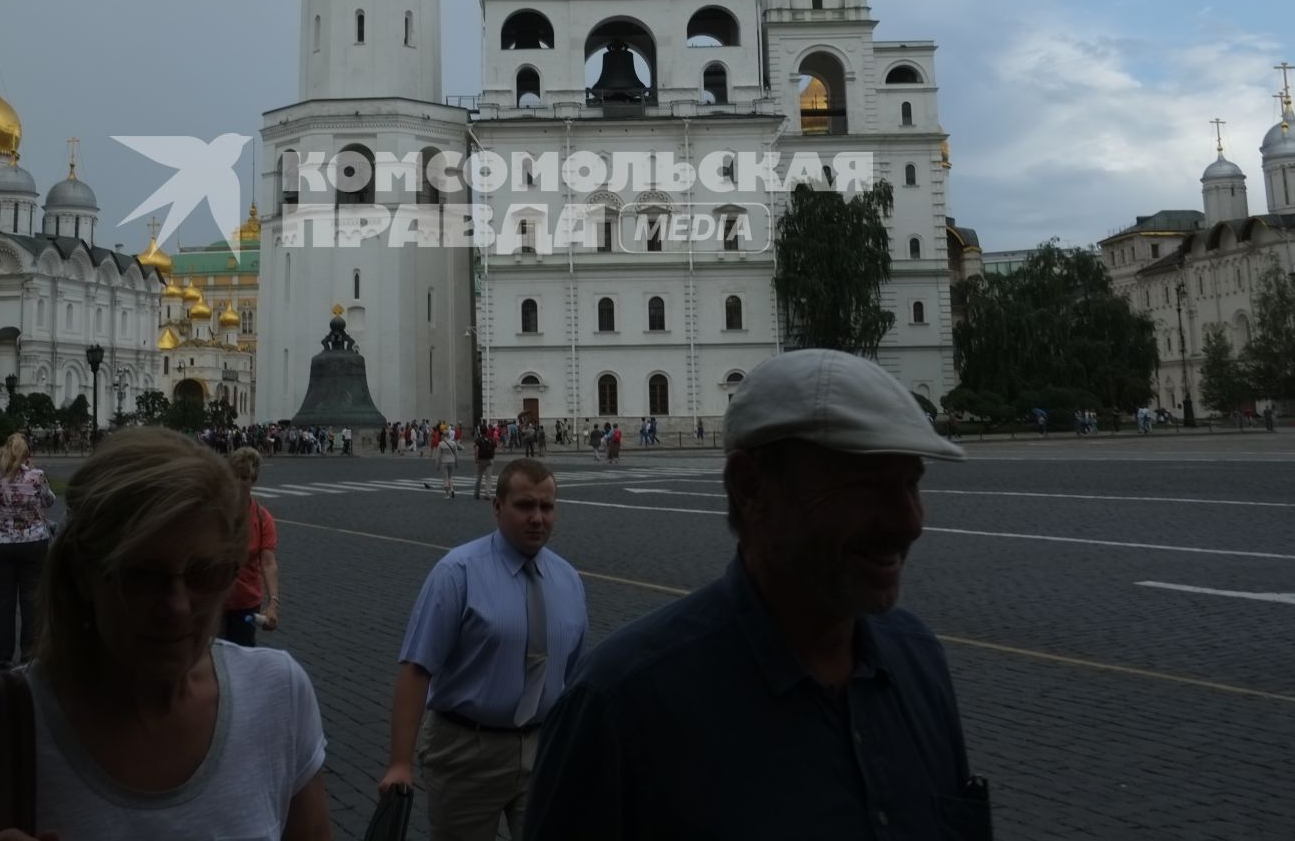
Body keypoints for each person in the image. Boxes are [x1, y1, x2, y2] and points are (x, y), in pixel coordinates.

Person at [523, 349, 984, 840]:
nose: (909, 522)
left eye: (911, 484)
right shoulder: (619, 707)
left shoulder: (918, 662)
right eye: (864, 485)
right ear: (750, 487)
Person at [0, 427, 331, 841]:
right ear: (85, 574)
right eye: (141, 575)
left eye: (205, 573)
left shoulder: (279, 696)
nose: (176, 607)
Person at [379, 459, 588, 841]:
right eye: (525, 506)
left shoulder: (569, 580)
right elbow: (416, 669)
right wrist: (399, 763)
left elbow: (573, 676)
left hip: (542, 750)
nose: (537, 518)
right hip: (466, 751)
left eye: (547, 507)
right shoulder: (457, 572)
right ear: (497, 507)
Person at [0, 433, 56, 671]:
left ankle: (3, 657)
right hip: (33, 542)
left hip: (1, 543)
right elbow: (49, 501)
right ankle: (29, 654)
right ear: (27, 454)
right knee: (31, 600)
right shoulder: (37, 477)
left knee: (3, 600)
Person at [223, 447, 280, 647]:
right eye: (234, 476)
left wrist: (273, 604)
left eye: (244, 478)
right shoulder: (213, 513)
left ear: (253, 480)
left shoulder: (263, 518)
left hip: (245, 603)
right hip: (213, 601)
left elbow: (268, 563)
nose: (238, 483)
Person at [472, 424, 497, 500]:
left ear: (480, 431)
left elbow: (476, 449)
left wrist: (476, 459)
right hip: (490, 459)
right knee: (489, 477)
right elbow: (495, 448)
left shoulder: (478, 440)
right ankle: (487, 493)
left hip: (481, 459)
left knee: (479, 476)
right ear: (487, 431)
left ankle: (477, 493)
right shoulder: (491, 439)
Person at [436, 429, 460, 499]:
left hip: (444, 462)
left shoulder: (441, 444)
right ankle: (452, 489)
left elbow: (438, 456)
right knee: (450, 477)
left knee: (445, 478)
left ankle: (447, 494)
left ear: (443, 435)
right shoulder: (453, 443)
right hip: (452, 461)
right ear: (449, 435)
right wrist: (457, 463)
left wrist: (437, 465)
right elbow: (456, 454)